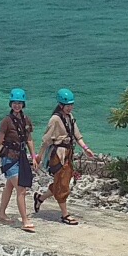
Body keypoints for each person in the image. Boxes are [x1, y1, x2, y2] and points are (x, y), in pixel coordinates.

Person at [0, 88, 37, 232]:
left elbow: (29, 139)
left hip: (21, 157)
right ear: (11, 104)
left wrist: (34, 156)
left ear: (23, 104)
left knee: (10, 186)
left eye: (19, 103)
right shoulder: (6, 121)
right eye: (14, 103)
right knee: (21, 189)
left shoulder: (26, 119)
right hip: (9, 158)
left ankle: (1, 214)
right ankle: (24, 221)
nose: (17, 105)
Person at [36, 88, 96, 224]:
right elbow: (46, 140)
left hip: (68, 153)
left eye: (71, 105)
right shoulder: (55, 119)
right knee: (63, 185)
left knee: (61, 182)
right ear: (61, 105)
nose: (70, 108)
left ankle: (40, 198)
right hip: (58, 155)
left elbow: (77, 135)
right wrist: (39, 157)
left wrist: (86, 148)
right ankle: (65, 215)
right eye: (67, 105)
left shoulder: (71, 117)